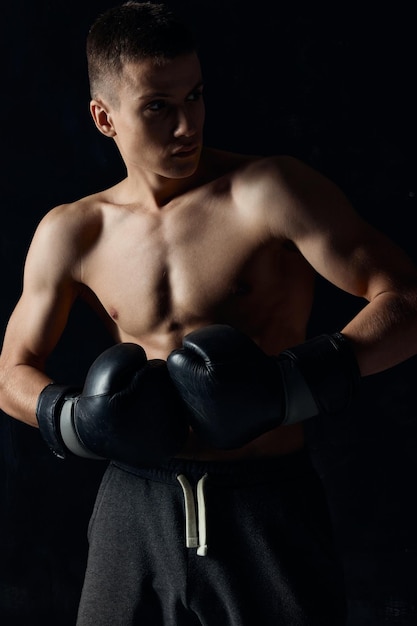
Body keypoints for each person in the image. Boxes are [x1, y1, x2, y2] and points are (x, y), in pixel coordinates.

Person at [1, 1, 417, 624]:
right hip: (132, 512)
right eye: (158, 107)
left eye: (195, 96)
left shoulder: (268, 193)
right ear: (103, 117)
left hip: (264, 505)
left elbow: (407, 300)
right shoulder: (74, 233)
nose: (186, 125)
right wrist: (77, 422)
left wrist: (290, 387)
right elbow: (12, 369)